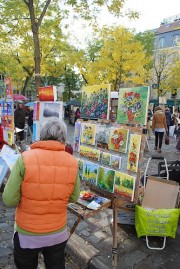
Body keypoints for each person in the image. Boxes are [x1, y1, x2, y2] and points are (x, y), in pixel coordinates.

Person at [3, 117, 80, 269]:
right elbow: (74, 196)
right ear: (63, 137)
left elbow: (9, 199)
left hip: (28, 233)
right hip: (57, 233)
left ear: (42, 135)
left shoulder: (25, 158)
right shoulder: (72, 161)